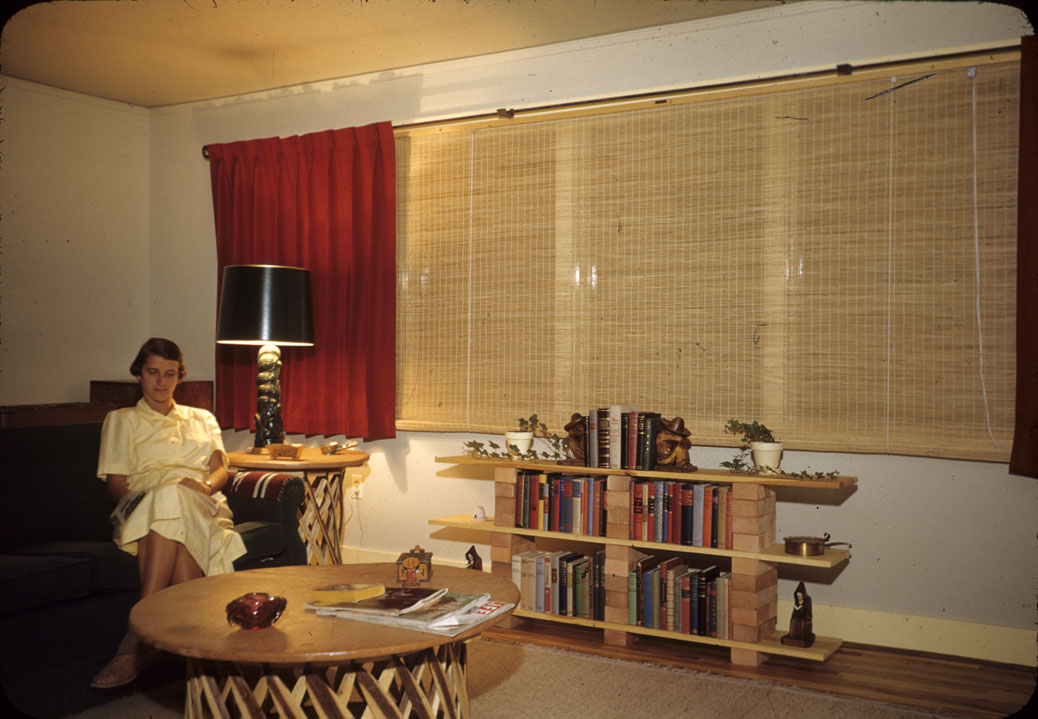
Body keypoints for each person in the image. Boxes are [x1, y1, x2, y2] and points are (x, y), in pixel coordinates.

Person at [89, 338, 247, 689]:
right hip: (143, 508)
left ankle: (139, 635)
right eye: (153, 372)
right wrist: (148, 501)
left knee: (175, 498)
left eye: (170, 373)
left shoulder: (203, 418)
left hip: (202, 504)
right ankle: (204, 657)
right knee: (167, 501)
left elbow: (220, 471)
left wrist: (204, 487)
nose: (161, 382)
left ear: (180, 376)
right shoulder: (121, 420)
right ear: (139, 375)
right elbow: (115, 486)